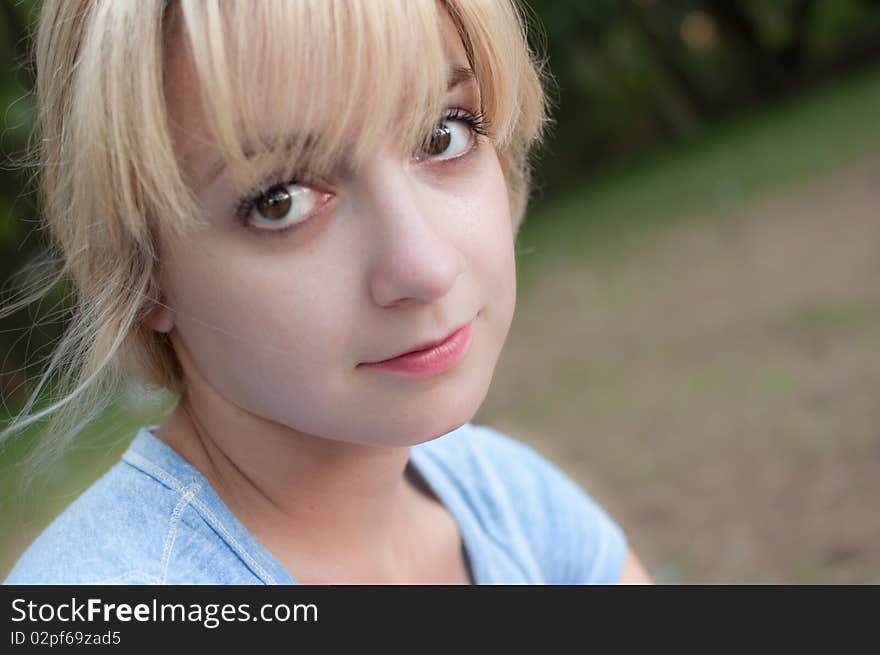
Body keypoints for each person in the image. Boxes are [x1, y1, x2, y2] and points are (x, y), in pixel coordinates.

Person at [2, 0, 652, 585]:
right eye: (280, 200)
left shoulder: (512, 506)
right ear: (142, 270)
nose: (424, 266)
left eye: (443, 134)